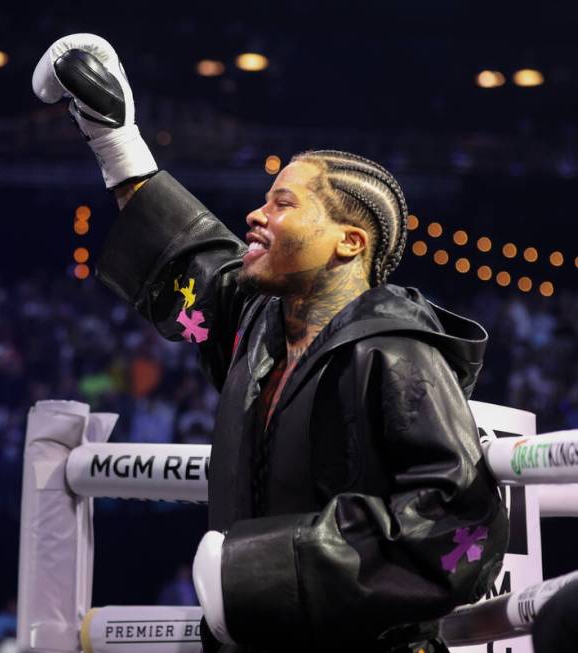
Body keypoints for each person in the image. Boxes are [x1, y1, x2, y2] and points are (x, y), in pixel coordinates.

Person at [33, 35, 509, 653]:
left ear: (349, 242)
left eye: (282, 203)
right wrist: (114, 139)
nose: (257, 215)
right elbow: (188, 264)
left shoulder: (397, 352)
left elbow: (455, 524)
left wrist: (256, 572)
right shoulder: (256, 331)